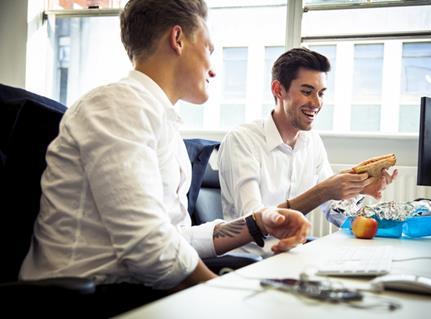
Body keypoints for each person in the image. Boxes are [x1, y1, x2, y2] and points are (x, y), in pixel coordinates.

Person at [19, 0, 311, 292]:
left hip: (134, 282)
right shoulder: (117, 105)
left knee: (283, 283)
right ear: (178, 39)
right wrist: (224, 296)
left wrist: (258, 223)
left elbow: (174, 238)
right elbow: (149, 246)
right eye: (209, 49)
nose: (213, 70)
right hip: (87, 294)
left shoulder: (161, 120)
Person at [218, 48, 398, 257]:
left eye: (321, 93)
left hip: (294, 254)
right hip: (251, 259)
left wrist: (359, 188)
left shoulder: (312, 141)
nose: (317, 102)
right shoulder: (242, 140)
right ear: (278, 90)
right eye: (307, 91)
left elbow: (335, 212)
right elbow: (254, 223)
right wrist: (322, 191)